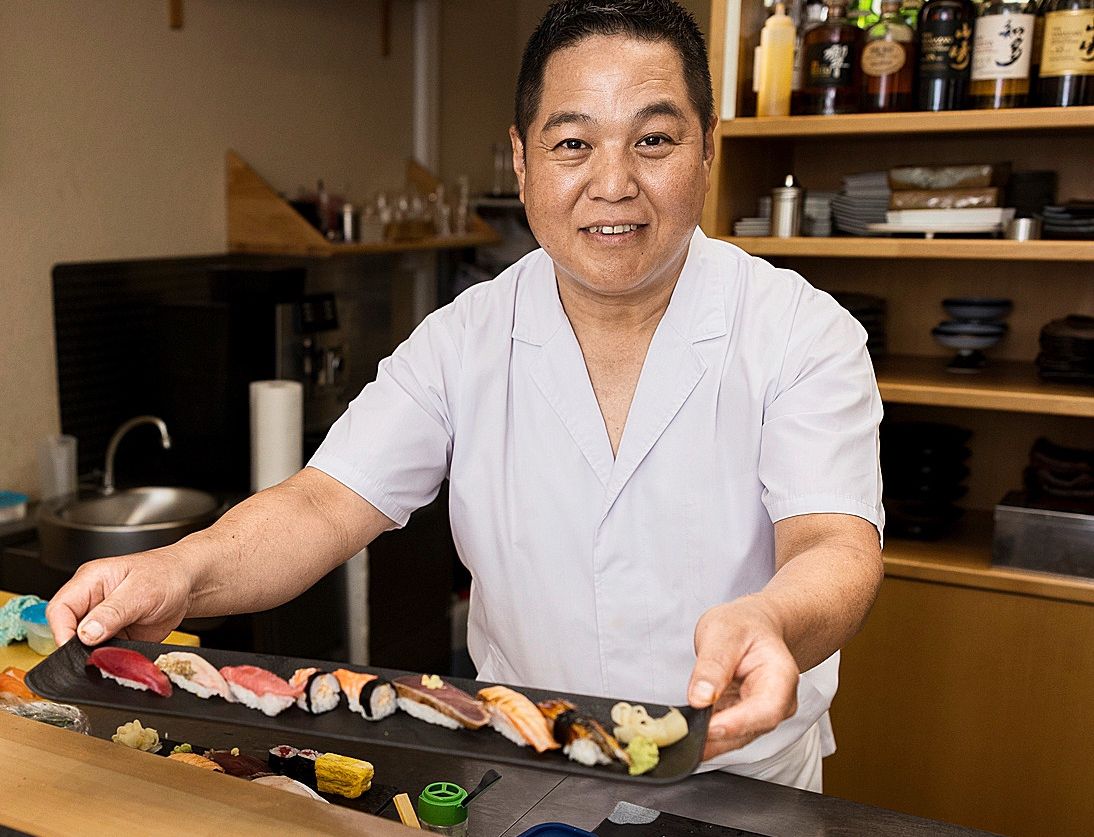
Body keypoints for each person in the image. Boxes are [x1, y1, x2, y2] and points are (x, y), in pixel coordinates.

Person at [47, 0, 884, 792]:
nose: (614, 182)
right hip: (528, 761)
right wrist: (179, 569)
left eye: (654, 139)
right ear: (522, 161)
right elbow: (324, 502)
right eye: (573, 144)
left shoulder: (801, 332)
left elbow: (834, 545)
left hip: (741, 773)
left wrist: (772, 621)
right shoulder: (465, 337)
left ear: (707, 150)